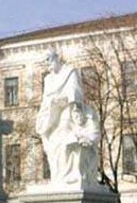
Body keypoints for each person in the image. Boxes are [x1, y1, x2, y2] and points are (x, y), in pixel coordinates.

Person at [36, 50, 98, 187]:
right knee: (53, 144)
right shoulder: (48, 79)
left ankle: (70, 175)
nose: (48, 64)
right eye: (45, 62)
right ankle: (58, 176)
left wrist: (69, 104)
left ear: (57, 58)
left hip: (68, 111)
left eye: (49, 60)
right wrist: (51, 105)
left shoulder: (70, 72)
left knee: (65, 141)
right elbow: (45, 100)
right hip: (53, 114)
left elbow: (75, 91)